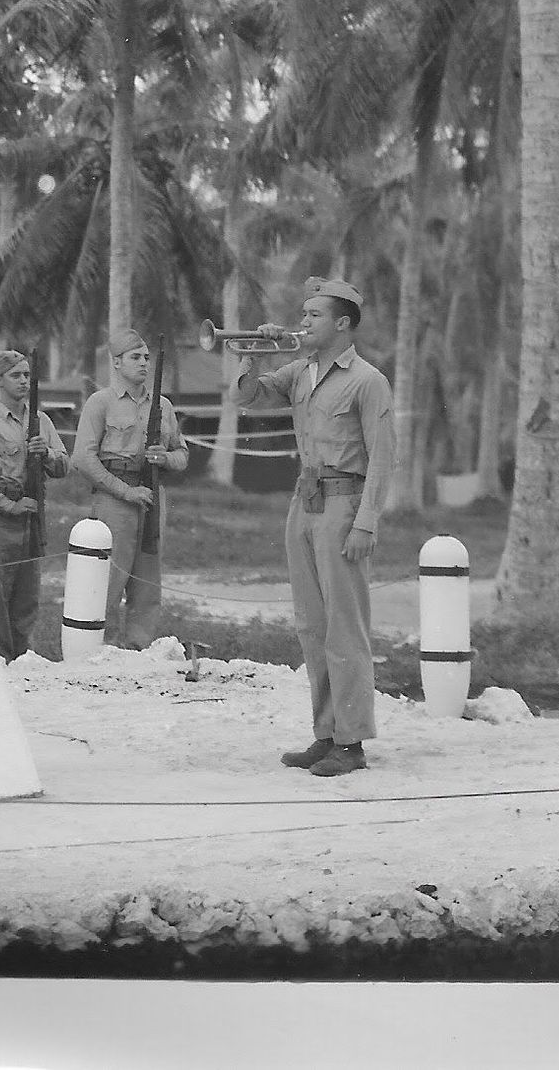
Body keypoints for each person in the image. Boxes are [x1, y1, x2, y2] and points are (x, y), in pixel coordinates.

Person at [241, 277, 392, 778]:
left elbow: (382, 458)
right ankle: (326, 734)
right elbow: (251, 397)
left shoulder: (367, 381)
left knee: (345, 630)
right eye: (303, 314)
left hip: (344, 504)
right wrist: (252, 354)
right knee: (312, 627)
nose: (302, 322)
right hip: (304, 503)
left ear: (343, 323)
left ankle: (352, 742)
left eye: (314, 315)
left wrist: (366, 523)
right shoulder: (301, 370)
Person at [70, 326, 189, 648]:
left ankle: (138, 649)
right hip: (114, 499)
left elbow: (182, 454)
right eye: (135, 357)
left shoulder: (163, 406)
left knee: (148, 582)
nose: (144, 363)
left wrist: (165, 458)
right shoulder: (101, 402)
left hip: (151, 496)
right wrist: (125, 491)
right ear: (117, 362)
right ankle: (100, 650)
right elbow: (83, 458)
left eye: (147, 358)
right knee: (109, 578)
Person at [0, 346, 68, 660]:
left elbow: (64, 466)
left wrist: (46, 453)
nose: (24, 381)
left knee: (28, 594)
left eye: (27, 375)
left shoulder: (41, 420)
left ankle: (22, 656)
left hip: (31, 517)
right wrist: (9, 505)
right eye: (16, 376)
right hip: (0, 517)